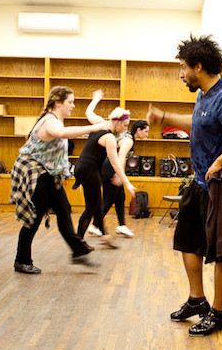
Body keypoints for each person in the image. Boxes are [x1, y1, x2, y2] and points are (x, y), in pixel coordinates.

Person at [148, 34, 222, 336]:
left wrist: (220, 161)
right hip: (199, 184)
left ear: (198, 66)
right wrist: (164, 117)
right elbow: (198, 122)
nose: (181, 74)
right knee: (188, 242)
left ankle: (219, 313)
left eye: (184, 67)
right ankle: (197, 300)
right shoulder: (205, 95)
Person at [11, 86, 108, 274]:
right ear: (58, 103)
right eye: (70, 102)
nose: (73, 105)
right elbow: (63, 134)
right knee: (35, 216)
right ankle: (21, 260)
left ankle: (78, 251)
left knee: (64, 209)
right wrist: (95, 127)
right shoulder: (49, 121)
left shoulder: (56, 120)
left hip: (48, 174)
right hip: (35, 173)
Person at [73, 92, 136, 247]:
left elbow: (88, 112)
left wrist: (95, 99)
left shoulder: (99, 123)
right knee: (91, 208)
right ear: (117, 123)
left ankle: (105, 235)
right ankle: (78, 241)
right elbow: (115, 163)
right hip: (89, 170)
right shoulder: (109, 138)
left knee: (97, 203)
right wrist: (127, 182)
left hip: (82, 167)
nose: (125, 128)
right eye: (125, 125)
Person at [89, 110, 149, 239]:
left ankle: (122, 225)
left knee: (120, 197)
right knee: (108, 199)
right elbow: (120, 156)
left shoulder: (128, 136)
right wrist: (119, 174)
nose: (147, 134)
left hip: (110, 167)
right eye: (146, 131)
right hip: (110, 169)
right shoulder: (129, 140)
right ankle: (94, 226)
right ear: (139, 130)